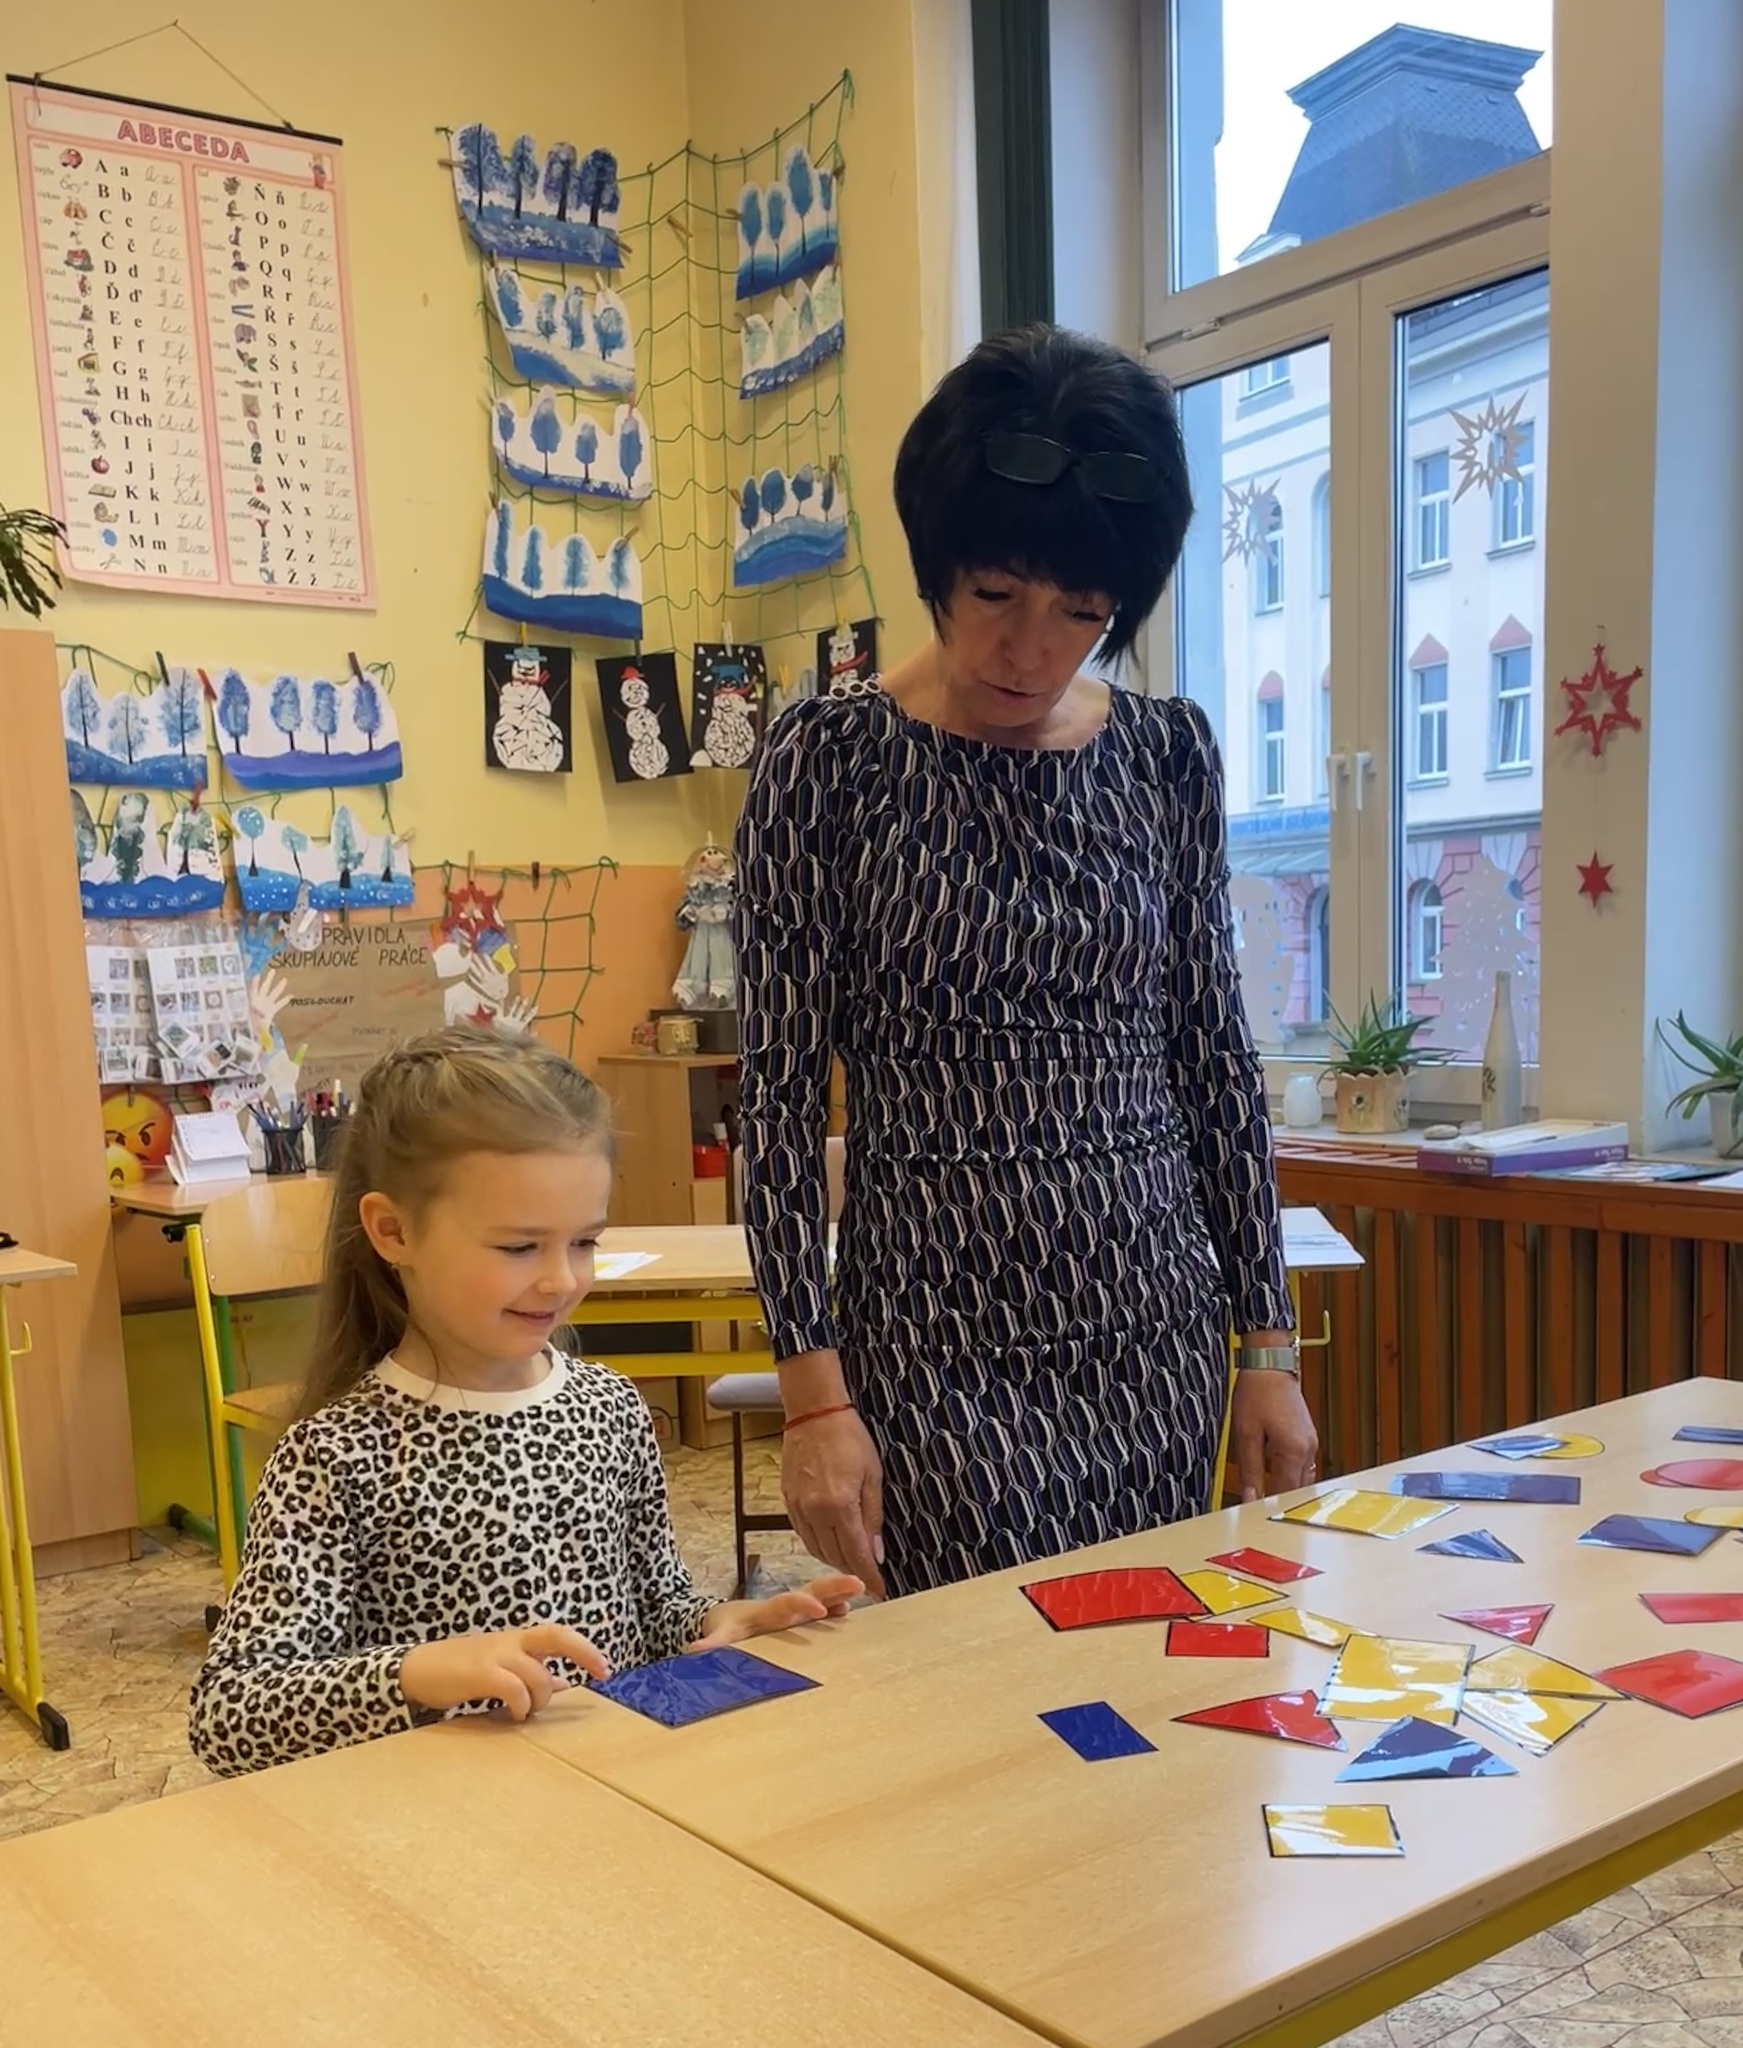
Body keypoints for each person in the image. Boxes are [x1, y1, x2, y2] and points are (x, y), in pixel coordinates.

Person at [736, 323, 1318, 1602]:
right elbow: (773, 1100)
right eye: (998, 595)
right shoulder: (824, 761)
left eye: (1084, 615)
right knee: (966, 1677)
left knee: (1144, 1653)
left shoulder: (1168, 755)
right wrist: (811, 1394)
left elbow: (1216, 1061)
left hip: (1149, 1323)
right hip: (928, 1334)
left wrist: (1267, 1344)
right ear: (938, 564)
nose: (1032, 650)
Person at [189, 1026, 857, 1778]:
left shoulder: (609, 1409)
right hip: (449, 1817)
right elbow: (231, 1713)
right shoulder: (336, 1453)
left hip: (622, 1795)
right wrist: (415, 1673)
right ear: (393, 1230)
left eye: (584, 1242)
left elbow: (656, 1608)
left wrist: (719, 1623)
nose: (560, 1280)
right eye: (518, 1247)